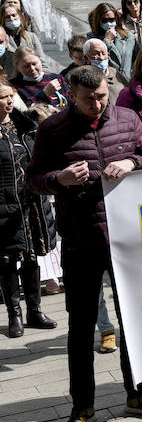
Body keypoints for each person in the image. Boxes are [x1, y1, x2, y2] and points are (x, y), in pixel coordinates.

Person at [28, 65, 142, 422]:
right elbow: (34, 179)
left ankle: (139, 395)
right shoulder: (52, 129)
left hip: (126, 239)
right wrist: (59, 179)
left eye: (103, 95)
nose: (98, 103)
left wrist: (133, 161)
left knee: (134, 322)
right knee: (81, 328)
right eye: (89, 99)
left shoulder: (126, 117)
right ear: (72, 95)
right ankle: (82, 406)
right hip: (81, 241)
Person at [0, 76, 57, 336]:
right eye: (2, 97)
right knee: (8, 259)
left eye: (10, 95)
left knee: (32, 254)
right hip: (3, 204)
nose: (8, 100)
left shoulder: (27, 125)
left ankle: (35, 310)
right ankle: (15, 314)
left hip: (30, 201)